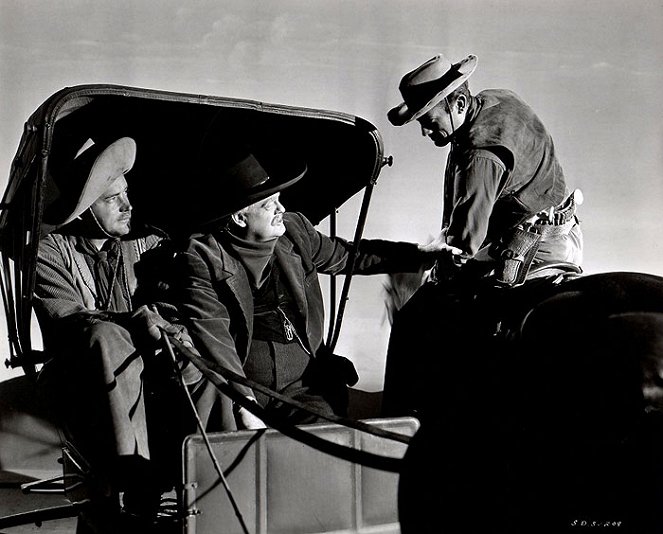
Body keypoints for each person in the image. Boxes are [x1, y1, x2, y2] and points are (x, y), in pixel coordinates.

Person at [173, 148, 451, 430]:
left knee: (325, 440)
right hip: (246, 387)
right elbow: (215, 335)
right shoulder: (202, 258)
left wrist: (420, 255)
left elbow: (349, 255)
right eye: (269, 204)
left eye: (279, 200)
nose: (281, 209)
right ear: (240, 218)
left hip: (303, 386)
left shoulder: (296, 232)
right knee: (245, 454)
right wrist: (244, 402)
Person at [34, 136, 195, 522]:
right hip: (80, 379)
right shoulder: (49, 251)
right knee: (105, 337)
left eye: (127, 193)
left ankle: (213, 480)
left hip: (148, 372)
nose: (129, 206)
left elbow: (173, 301)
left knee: (192, 345)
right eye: (112, 199)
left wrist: (169, 324)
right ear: (85, 209)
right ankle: (131, 478)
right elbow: (69, 317)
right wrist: (132, 321)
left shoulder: (147, 243)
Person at [388, 52, 582, 286]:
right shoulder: (499, 98)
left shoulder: (479, 155)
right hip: (566, 233)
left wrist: (439, 270)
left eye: (428, 122)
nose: (425, 132)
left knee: (442, 302)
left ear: (459, 104)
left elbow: (462, 247)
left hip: (532, 251)